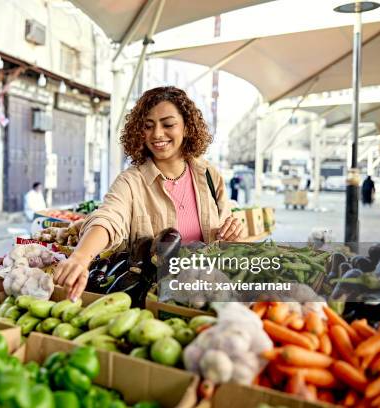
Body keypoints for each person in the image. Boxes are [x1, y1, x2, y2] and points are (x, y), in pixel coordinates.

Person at [54, 86, 243, 300]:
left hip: (204, 295)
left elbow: (224, 231)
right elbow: (108, 218)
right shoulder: (131, 181)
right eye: (148, 126)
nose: (157, 134)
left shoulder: (209, 175)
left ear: (187, 127)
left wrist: (231, 232)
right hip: (152, 300)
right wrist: (80, 257)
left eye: (168, 124)